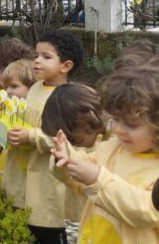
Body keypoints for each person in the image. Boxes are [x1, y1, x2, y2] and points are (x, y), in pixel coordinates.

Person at [51, 66, 159, 243]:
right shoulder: (114, 147)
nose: (118, 129)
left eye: (131, 125)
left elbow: (147, 211)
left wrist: (98, 179)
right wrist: (67, 158)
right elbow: (87, 166)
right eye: (115, 119)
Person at [7, 29, 85, 243]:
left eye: (46, 57)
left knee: (46, 228)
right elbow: (26, 121)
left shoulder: (68, 99)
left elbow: (66, 141)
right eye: (36, 55)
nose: (37, 61)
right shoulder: (34, 89)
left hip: (48, 178)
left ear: (66, 66)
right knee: (25, 227)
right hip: (24, 170)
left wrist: (32, 136)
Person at [40, 83, 105, 223]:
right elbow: (66, 176)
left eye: (75, 139)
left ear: (87, 122)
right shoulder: (73, 146)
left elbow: (90, 161)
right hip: (82, 217)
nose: (73, 144)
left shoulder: (112, 145)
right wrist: (61, 160)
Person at [0, 59, 37, 209]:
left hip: (30, 176)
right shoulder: (12, 109)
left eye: (14, 86)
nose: (8, 91)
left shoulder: (34, 111)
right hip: (12, 170)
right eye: (6, 87)